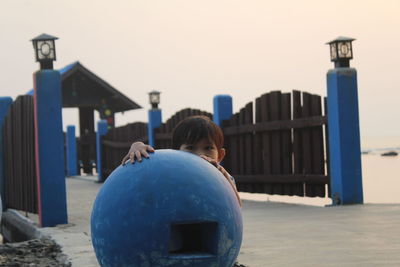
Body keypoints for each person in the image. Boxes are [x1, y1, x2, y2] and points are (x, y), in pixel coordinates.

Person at [121, 115, 241, 207]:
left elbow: (236, 206)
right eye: (190, 148)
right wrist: (137, 146)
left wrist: (221, 174)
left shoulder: (223, 176)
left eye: (208, 148)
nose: (200, 155)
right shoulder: (171, 171)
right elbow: (150, 171)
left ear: (220, 155)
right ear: (176, 153)